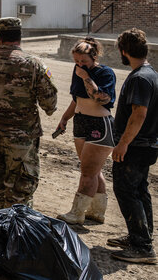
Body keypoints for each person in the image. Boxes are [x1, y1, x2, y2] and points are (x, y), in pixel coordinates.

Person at [0, 17, 57, 212]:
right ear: (20, 37)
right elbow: (50, 104)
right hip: (22, 141)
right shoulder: (33, 64)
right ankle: (14, 237)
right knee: (19, 191)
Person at [108, 28, 158, 264]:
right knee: (139, 191)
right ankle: (140, 237)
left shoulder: (139, 78)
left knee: (127, 191)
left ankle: (142, 247)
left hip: (136, 146)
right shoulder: (150, 74)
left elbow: (138, 114)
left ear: (124, 51)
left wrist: (123, 144)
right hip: (146, 144)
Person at [54, 37, 117, 225]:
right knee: (93, 170)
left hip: (100, 123)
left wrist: (86, 77)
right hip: (81, 121)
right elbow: (77, 99)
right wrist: (65, 118)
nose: (80, 65)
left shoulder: (105, 72)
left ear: (94, 57)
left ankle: (77, 213)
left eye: (84, 62)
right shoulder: (78, 71)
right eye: (77, 61)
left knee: (88, 172)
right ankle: (97, 212)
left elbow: (102, 98)